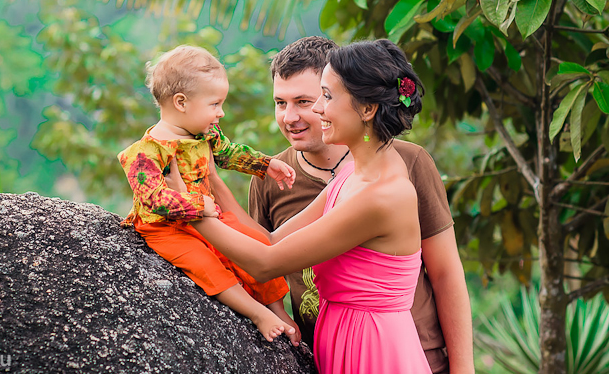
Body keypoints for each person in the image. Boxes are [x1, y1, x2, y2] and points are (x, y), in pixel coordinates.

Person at [176, 39, 437, 373]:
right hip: (343, 338)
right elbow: (271, 241)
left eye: (326, 97)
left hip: (373, 348)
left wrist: (187, 211)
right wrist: (212, 178)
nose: (318, 109)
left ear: (367, 108)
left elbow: (265, 263)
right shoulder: (356, 174)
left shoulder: (382, 196)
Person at [245, 37, 473, 374]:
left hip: (411, 354)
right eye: (280, 102)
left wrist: (463, 368)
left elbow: (445, 272)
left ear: (360, 102)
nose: (290, 116)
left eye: (309, 99)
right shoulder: (269, 178)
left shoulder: (407, 163)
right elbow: (263, 252)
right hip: (330, 355)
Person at [117, 45, 300, 345]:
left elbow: (228, 154)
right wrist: (199, 205)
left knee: (253, 245)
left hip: (210, 214)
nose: (221, 112)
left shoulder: (204, 134)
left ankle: (277, 308)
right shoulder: (145, 152)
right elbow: (154, 199)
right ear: (181, 102)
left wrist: (265, 165)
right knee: (207, 265)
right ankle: (256, 312)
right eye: (215, 104)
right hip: (167, 230)